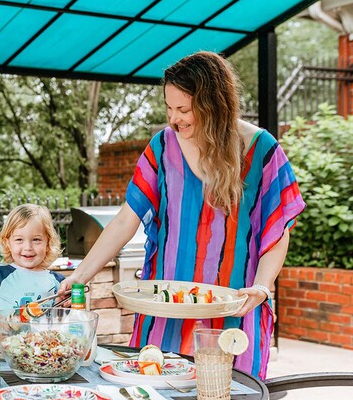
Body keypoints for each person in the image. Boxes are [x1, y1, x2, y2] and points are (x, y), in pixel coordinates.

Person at [60, 51, 305, 380]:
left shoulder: (262, 150)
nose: (174, 119)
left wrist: (261, 288)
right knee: (158, 395)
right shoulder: (161, 148)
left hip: (235, 307)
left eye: (184, 109)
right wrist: (79, 276)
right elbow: (124, 221)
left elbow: (278, 231)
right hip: (166, 309)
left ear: (213, 105)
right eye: (169, 108)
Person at [0, 204, 65, 310]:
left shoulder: (59, 282)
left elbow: (69, 316)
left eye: (36, 240)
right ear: (8, 244)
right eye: (19, 240)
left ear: (48, 244)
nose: (28, 247)